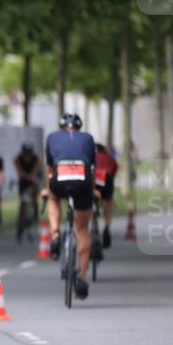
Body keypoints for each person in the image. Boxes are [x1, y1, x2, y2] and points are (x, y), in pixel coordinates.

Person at [45, 113, 96, 300]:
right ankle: (81, 278)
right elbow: (92, 169)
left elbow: (49, 170)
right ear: (79, 127)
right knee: (82, 230)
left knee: (53, 198)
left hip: (60, 176)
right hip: (83, 178)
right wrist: (93, 191)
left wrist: (47, 189)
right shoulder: (88, 139)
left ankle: (55, 233)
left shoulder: (52, 137)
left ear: (61, 128)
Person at [13, 141, 41, 242]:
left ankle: (35, 210)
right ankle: (20, 225)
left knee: (34, 193)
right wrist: (28, 177)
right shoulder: (18, 159)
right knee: (22, 204)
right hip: (23, 182)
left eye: (29, 154)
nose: (27, 157)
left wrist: (32, 178)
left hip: (33, 181)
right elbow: (20, 172)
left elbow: (35, 172)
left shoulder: (36, 159)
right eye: (26, 154)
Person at [94, 143, 119, 249]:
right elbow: (113, 172)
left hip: (92, 177)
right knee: (108, 200)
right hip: (106, 177)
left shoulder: (88, 155)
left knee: (87, 200)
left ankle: (93, 217)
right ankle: (107, 226)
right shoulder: (109, 157)